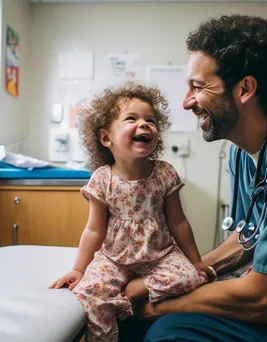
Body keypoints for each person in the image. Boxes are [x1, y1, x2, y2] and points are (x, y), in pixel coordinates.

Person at [133, 14, 267, 342]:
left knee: (168, 331)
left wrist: (155, 307)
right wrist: (182, 276)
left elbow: (263, 299)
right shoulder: (243, 151)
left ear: (245, 88)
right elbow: (248, 238)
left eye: (198, 87)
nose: (187, 101)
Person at [49, 83, 214, 342]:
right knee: (89, 292)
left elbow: (179, 222)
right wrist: (79, 270)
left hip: (159, 256)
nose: (144, 124)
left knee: (190, 278)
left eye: (150, 120)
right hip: (114, 259)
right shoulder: (102, 180)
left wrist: (196, 261)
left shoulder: (165, 173)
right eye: (132, 119)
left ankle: (133, 293)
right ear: (106, 138)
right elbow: (94, 229)